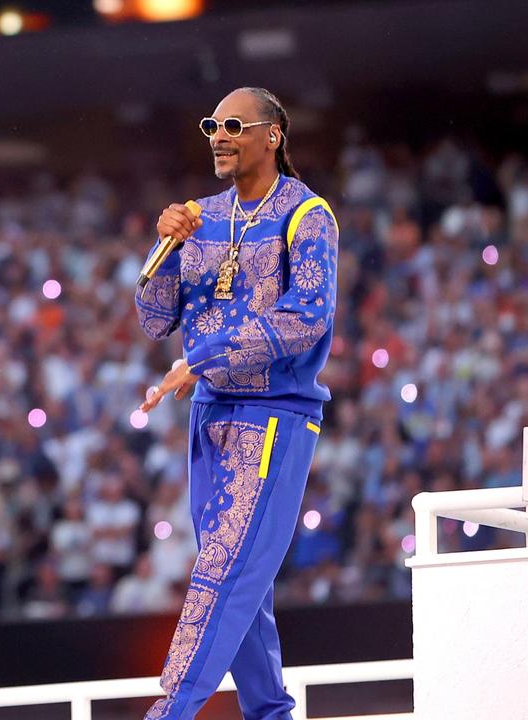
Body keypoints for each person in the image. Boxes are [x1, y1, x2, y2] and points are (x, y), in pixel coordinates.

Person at [134, 88, 339, 719]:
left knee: (224, 573)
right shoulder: (200, 216)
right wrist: (161, 249)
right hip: (209, 418)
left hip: (273, 415)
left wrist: (199, 361)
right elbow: (152, 318)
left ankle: (168, 713)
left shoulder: (308, 216)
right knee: (242, 584)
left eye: (233, 126)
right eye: (211, 126)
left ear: (272, 134)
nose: (218, 137)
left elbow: (307, 318)